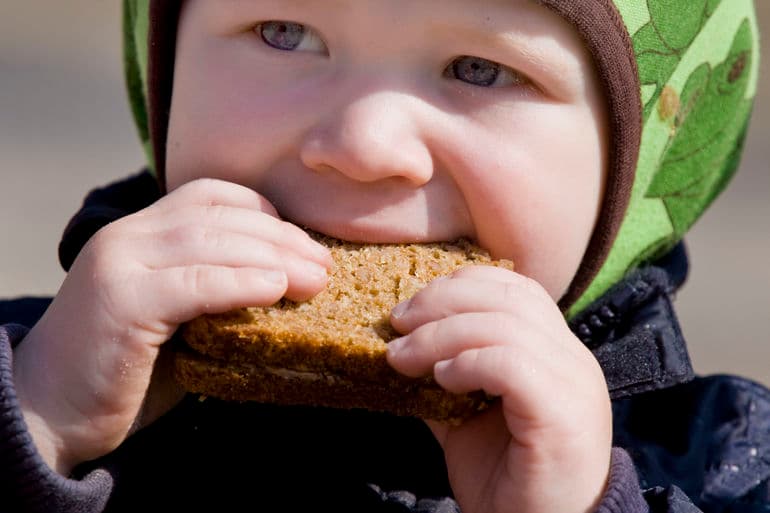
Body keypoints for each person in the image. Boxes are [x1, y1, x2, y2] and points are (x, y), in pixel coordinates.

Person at [1, 0, 764, 511]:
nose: (365, 146)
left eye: (479, 69)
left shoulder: (721, 458)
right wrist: (39, 421)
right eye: (283, 31)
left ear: (635, 172)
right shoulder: (44, 374)